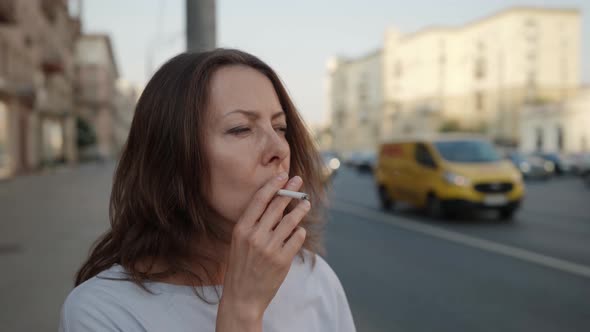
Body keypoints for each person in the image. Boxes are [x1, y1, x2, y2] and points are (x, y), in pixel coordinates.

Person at [59, 49, 356, 332]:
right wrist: (242, 311)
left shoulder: (314, 278)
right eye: (241, 128)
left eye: (279, 128)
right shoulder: (101, 312)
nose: (279, 149)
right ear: (171, 156)